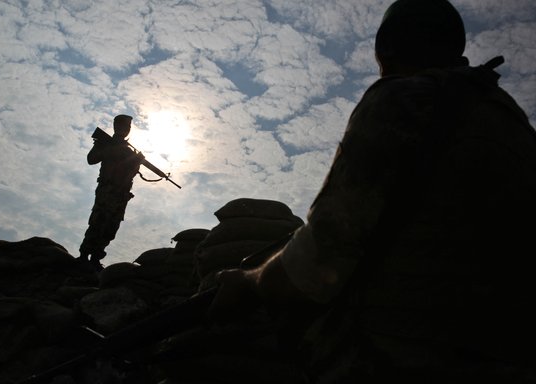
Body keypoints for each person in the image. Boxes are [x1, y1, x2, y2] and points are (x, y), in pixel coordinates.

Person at [209, 0, 536, 382]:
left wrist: (249, 282)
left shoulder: (404, 98)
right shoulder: (514, 124)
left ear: (384, 52)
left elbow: (319, 263)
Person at [79, 114, 144, 271]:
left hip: (121, 194)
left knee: (111, 226)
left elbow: (131, 173)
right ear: (116, 126)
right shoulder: (105, 142)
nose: (126, 130)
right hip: (107, 189)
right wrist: (111, 150)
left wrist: (137, 162)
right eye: (123, 126)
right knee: (98, 221)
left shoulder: (129, 151)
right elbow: (91, 159)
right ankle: (83, 256)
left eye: (128, 127)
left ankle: (96, 257)